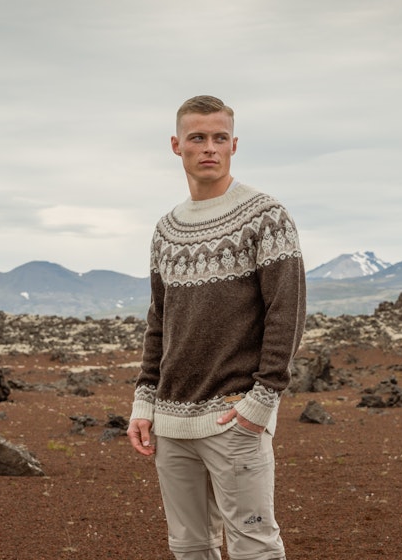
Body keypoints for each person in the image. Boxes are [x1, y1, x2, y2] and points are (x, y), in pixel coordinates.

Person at [127, 95, 306, 560]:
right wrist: (144, 402)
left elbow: (286, 313)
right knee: (188, 547)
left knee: (254, 547)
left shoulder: (266, 216)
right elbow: (159, 322)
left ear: (234, 144)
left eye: (220, 138)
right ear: (176, 145)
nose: (210, 147)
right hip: (170, 422)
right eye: (198, 138)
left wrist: (262, 403)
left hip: (234, 417)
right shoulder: (166, 230)